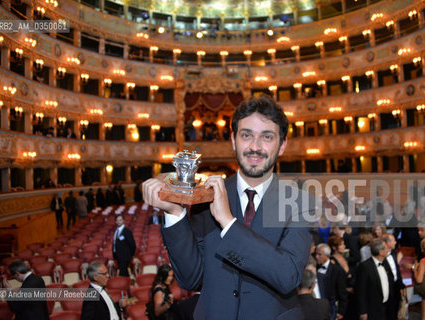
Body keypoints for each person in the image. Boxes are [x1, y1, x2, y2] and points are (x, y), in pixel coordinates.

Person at [142, 96, 312, 319]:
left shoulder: (300, 203)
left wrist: (228, 223)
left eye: (267, 137)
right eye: (246, 135)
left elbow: (287, 275)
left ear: (282, 146)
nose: (255, 146)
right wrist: (175, 213)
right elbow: (191, 278)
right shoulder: (207, 194)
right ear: (233, 140)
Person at [356, 239, 395, 320]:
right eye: (387, 248)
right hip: (372, 310)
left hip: (386, 307)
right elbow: (361, 291)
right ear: (380, 252)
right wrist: (363, 311)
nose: (389, 250)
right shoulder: (365, 267)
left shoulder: (385, 263)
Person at [314, 243, 348, 320]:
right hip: (317, 308)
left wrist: (341, 311)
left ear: (328, 256)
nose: (316, 257)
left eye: (320, 255)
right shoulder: (314, 268)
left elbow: (342, 292)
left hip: (331, 309)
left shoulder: (337, 270)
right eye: (316, 254)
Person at [381, 233, 404, 320]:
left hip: (395, 289)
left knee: (395, 312)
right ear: (387, 243)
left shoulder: (393, 254)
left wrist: (401, 286)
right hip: (386, 290)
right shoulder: (380, 257)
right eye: (393, 240)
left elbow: (397, 271)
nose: (395, 242)